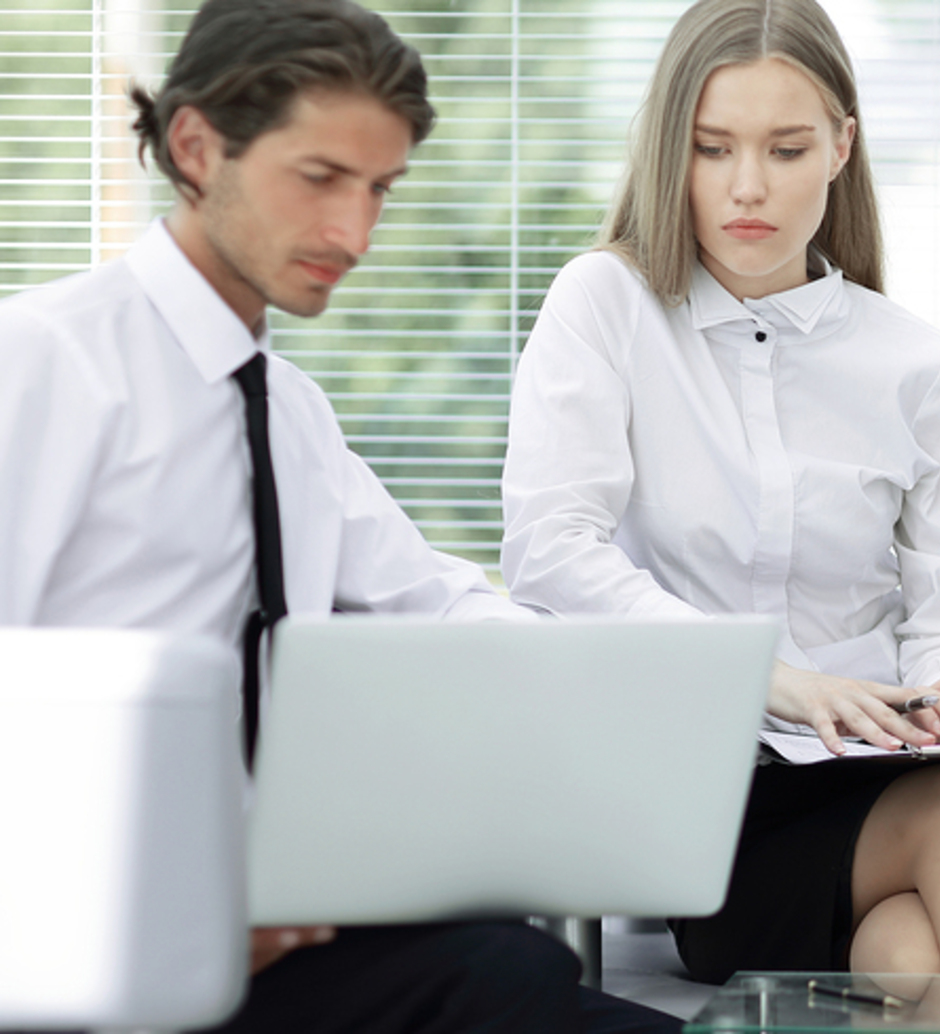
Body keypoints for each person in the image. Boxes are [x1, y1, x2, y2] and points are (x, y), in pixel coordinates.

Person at [0, 1, 678, 1030]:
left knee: (513, 959)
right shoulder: (47, 364)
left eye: (380, 190)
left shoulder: (288, 417)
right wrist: (114, 912)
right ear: (196, 145)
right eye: (320, 179)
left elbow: (434, 599)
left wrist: (642, 686)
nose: (353, 233)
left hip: (263, 930)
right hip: (83, 937)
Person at [501, 0, 940, 984]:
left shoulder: (917, 362)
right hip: (724, 810)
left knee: (911, 951)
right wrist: (774, 679)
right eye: (713, 149)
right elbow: (550, 552)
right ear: (674, 150)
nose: (746, 187)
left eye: (786, 149)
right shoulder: (605, 306)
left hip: (922, 778)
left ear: (841, 146)